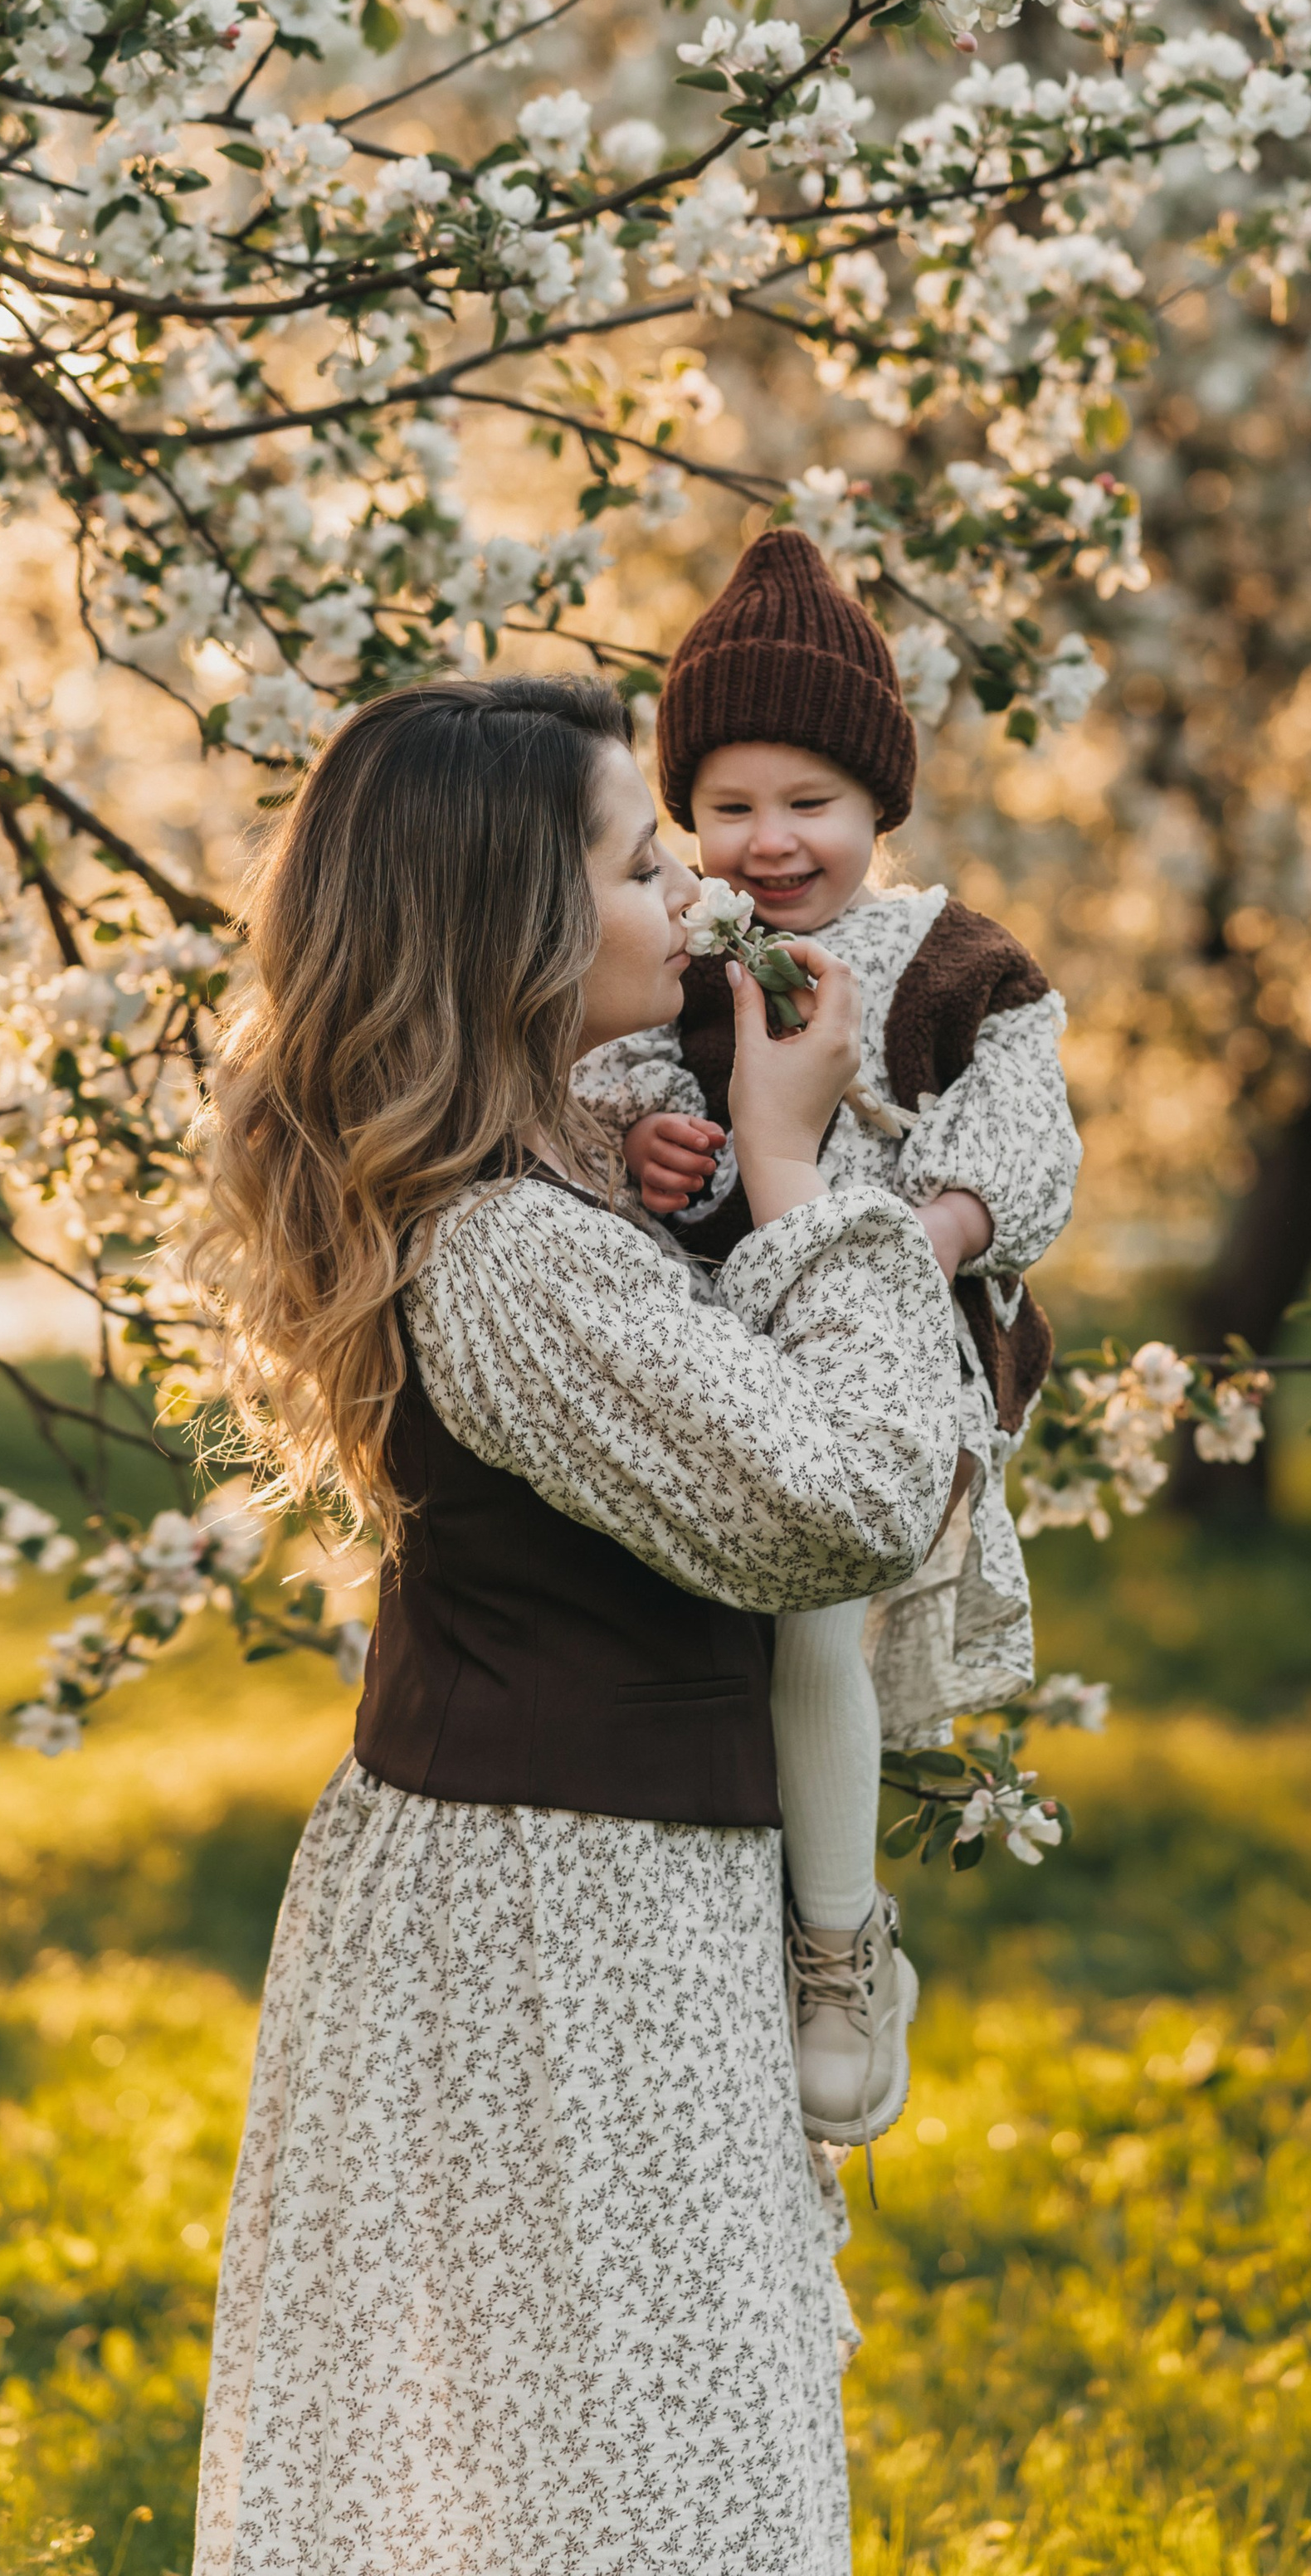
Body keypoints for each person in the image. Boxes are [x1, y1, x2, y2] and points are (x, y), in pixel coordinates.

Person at [187, 671, 962, 2576]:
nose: (698, 898)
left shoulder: (551, 1184)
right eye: (640, 865)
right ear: (516, 932)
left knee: (605, 2450)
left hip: (578, 1891)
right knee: (624, 2473)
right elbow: (848, 1499)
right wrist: (794, 1169)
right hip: (557, 1917)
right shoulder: (513, 1252)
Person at [573, 529, 1081, 2157]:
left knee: (809, 1627)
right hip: (712, 1338)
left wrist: (886, 1247)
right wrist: (645, 1163)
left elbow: (1019, 1155)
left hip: (881, 1355)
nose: (767, 840)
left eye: (808, 803)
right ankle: (690, 1907)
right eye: (724, 807)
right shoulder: (680, 960)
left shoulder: (958, 965)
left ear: (878, 806)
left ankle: (841, 1945)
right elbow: (606, 1107)